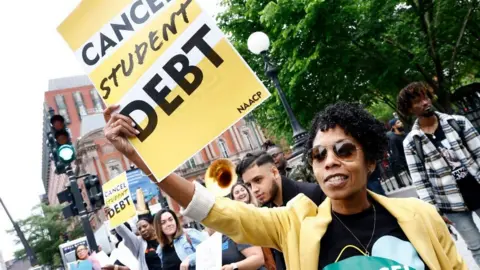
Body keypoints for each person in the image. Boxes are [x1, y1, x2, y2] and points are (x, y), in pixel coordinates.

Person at [103, 102, 466, 269]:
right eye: (319, 155)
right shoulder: (293, 222)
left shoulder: (420, 216)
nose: (330, 161)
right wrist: (142, 159)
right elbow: (214, 209)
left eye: (343, 150)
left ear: (369, 160)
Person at [398, 81, 480, 265]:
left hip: (477, 188)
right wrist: (433, 211)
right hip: (450, 203)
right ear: (409, 108)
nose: (425, 102)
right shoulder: (412, 142)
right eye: (418, 101)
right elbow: (421, 181)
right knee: (476, 246)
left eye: (426, 97)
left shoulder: (458, 122)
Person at [235, 151, 325, 269]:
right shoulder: (267, 210)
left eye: (258, 180)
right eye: (249, 185)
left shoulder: (312, 195)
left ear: (274, 172)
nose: (254, 189)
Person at [230, 183, 276, 270]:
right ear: (233, 199)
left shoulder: (260, 209)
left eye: (242, 190)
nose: (241, 193)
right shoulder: (237, 218)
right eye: (237, 192)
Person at [386, 118, 409, 188]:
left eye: (400, 121)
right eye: (398, 122)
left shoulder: (407, 134)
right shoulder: (394, 139)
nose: (401, 123)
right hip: (408, 163)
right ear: (393, 126)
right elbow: (397, 154)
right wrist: (405, 163)